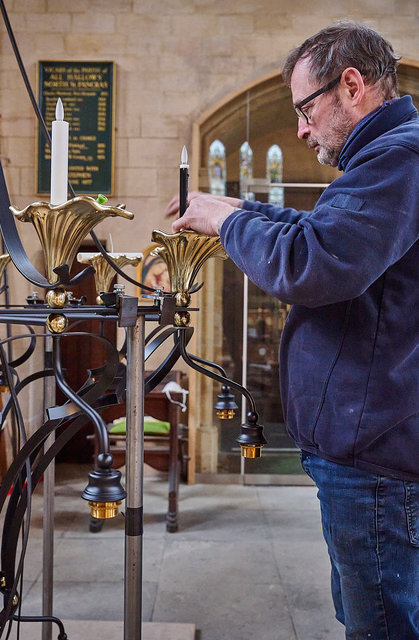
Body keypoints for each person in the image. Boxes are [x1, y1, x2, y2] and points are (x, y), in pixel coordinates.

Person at [166, 21, 419, 640]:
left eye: (306, 108)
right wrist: (237, 210)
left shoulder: (399, 159)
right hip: (367, 448)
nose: (302, 128)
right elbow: (324, 230)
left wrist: (228, 227)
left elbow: (316, 262)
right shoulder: (386, 162)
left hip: (375, 458)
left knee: (382, 627)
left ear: (351, 85)